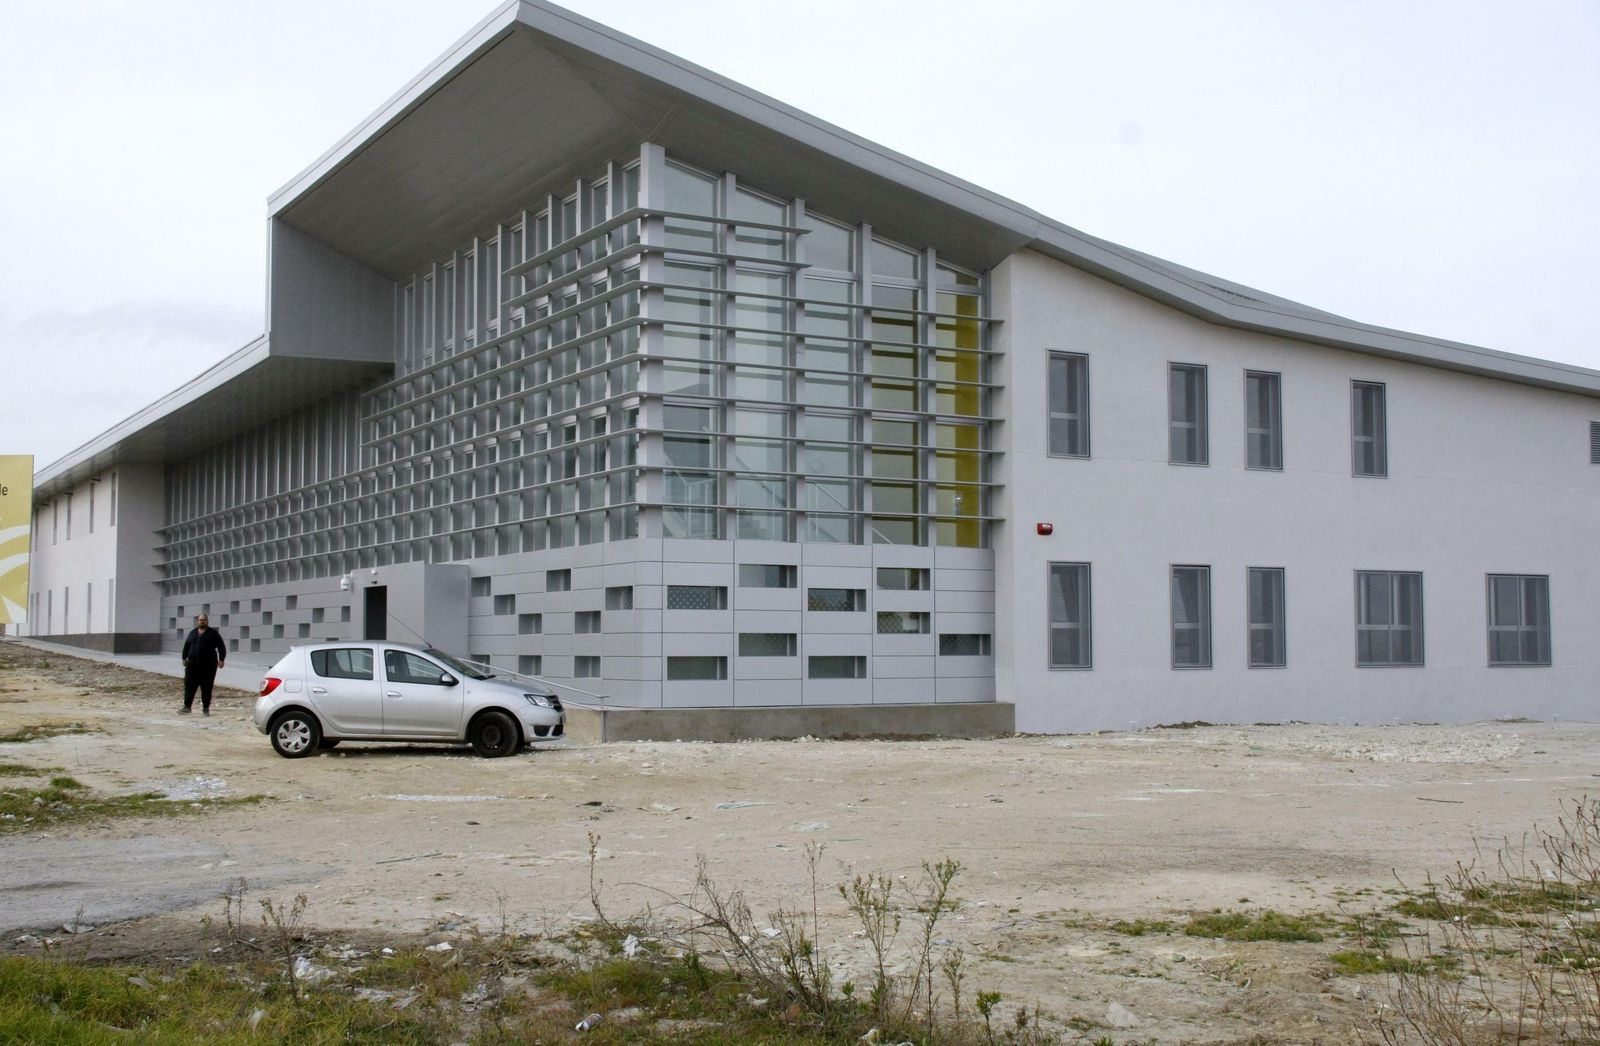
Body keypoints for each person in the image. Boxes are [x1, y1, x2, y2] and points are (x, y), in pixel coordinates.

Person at [180, 613, 227, 716]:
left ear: (207, 621)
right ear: (197, 621)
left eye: (204, 620)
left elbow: (221, 647)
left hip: (208, 667)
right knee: (189, 686)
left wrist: (221, 659)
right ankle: (187, 707)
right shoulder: (192, 633)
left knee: (206, 687)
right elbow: (186, 646)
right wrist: (184, 658)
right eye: (200, 620)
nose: (202, 621)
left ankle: (206, 709)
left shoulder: (213, 634)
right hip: (192, 665)